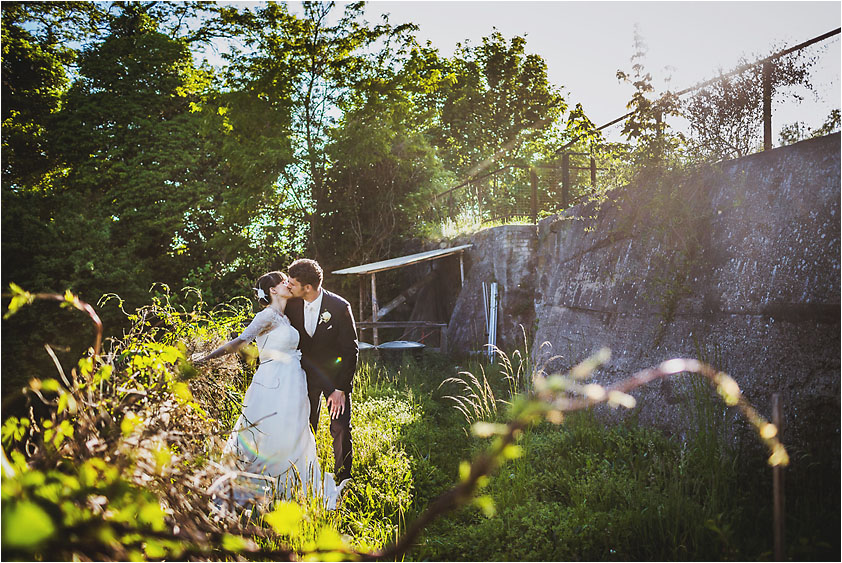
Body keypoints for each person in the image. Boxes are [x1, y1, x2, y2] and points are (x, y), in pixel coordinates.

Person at [193, 271, 344, 509]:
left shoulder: (286, 317)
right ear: (272, 290)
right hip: (273, 383)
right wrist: (205, 358)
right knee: (267, 433)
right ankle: (259, 488)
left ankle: (293, 486)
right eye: (283, 282)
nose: (288, 284)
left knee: (294, 432)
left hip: (294, 382)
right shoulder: (267, 316)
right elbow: (240, 341)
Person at [285, 259, 358, 486]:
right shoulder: (291, 305)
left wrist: (340, 389)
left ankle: (344, 476)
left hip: (333, 377)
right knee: (306, 424)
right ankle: (306, 471)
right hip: (303, 376)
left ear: (307, 287)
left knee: (340, 425)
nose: (288, 286)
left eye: (292, 283)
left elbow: (350, 350)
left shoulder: (339, 307)